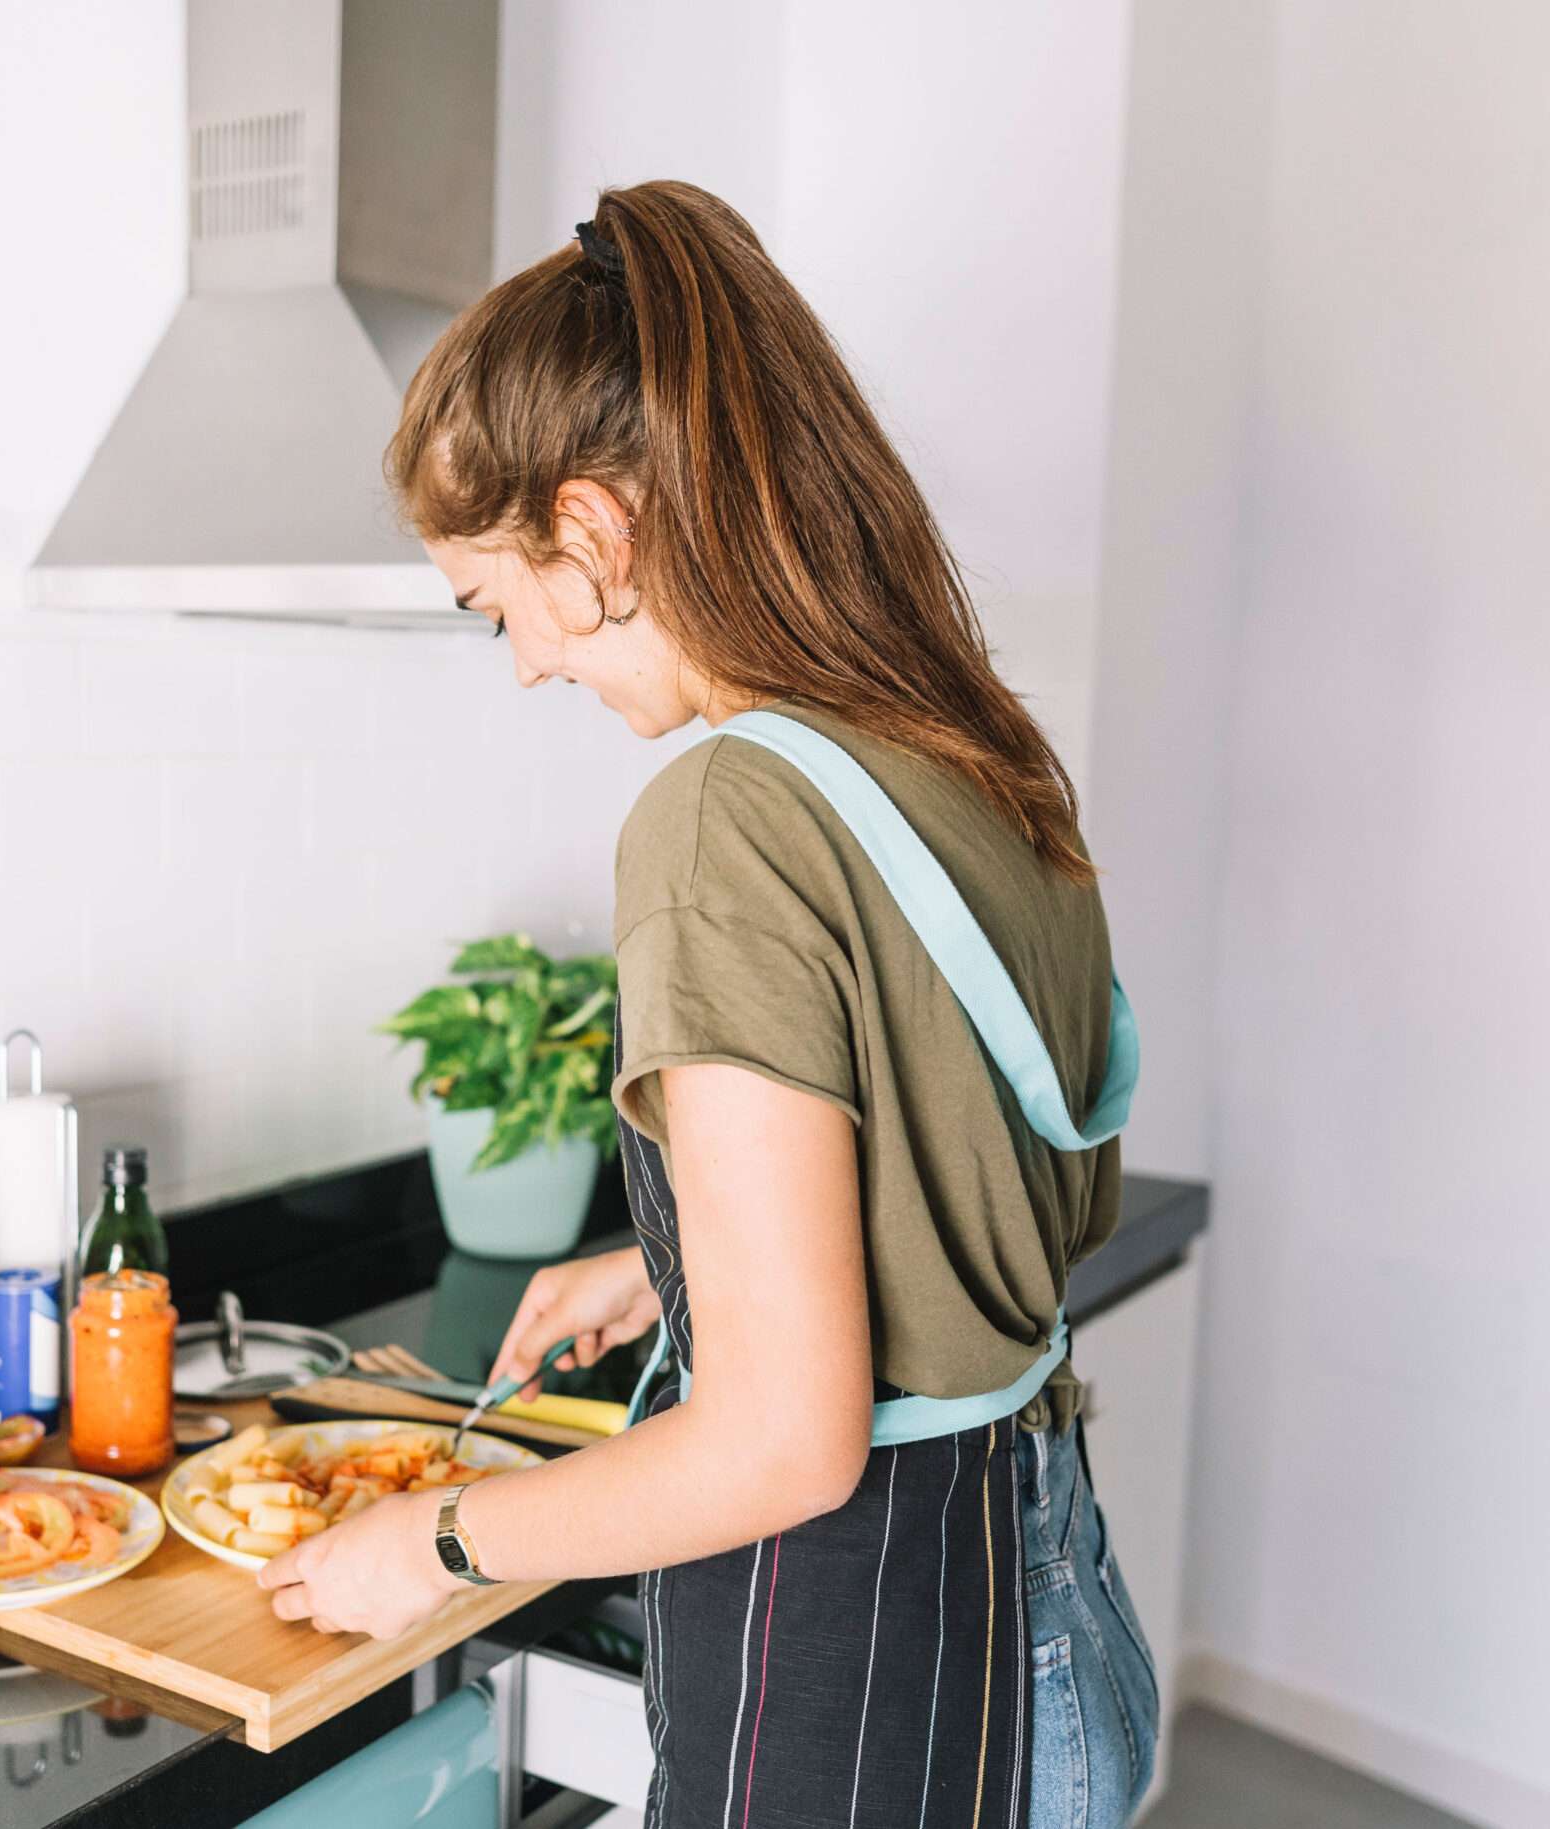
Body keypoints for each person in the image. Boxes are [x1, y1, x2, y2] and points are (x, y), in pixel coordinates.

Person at [256, 181, 1162, 1827]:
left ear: (594, 532)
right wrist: (668, 1265)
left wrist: (435, 1540)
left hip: (874, 1657)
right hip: (1052, 1622)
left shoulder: (724, 815)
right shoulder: (970, 757)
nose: (526, 659)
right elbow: (995, 1184)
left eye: (497, 601)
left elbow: (783, 1445)